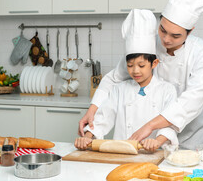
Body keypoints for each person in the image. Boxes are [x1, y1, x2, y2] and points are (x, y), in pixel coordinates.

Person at [79, 0, 203, 150]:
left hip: (190, 138)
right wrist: (92, 110)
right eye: (163, 30)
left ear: (190, 32)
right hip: (148, 143)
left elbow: (192, 101)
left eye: (175, 36)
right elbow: (113, 79)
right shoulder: (147, 46)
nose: (165, 39)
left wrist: (150, 126)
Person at [75, 9, 178, 152]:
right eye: (130, 65)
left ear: (154, 64)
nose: (135, 71)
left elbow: (170, 123)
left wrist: (156, 141)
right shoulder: (120, 89)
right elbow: (103, 117)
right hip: (121, 155)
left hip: (152, 155)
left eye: (141, 65)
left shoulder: (166, 90)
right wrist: (87, 136)